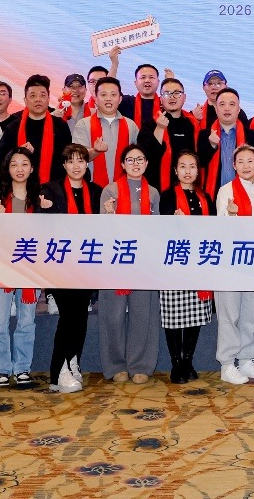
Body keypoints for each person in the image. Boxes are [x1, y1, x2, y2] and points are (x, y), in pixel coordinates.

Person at [41, 143, 103, 393]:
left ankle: (73, 361)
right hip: (60, 264)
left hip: (86, 264)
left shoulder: (96, 191)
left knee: (80, 317)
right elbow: (42, 227)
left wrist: (108, 213)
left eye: (81, 160)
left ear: (87, 164)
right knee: (68, 317)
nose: (76, 165)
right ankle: (58, 372)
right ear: (64, 165)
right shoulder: (50, 190)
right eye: (71, 161)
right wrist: (45, 210)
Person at [99, 144, 161, 384]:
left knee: (142, 314)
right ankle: (116, 365)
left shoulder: (153, 193)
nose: (135, 163)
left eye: (140, 159)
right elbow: (102, 230)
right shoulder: (110, 190)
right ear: (123, 164)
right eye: (130, 160)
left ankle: (141, 365)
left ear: (146, 163)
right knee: (113, 316)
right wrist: (109, 214)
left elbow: (157, 229)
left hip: (144, 262)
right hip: (115, 261)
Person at [0, 146, 45, 387]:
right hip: (0, 268)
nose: (19, 169)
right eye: (14, 165)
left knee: (26, 321)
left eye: (24, 164)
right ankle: (1, 369)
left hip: (30, 268)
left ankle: (22, 368)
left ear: (32, 168)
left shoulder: (41, 199)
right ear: (7, 169)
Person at [213, 144, 254, 385]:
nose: (246, 166)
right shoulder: (226, 190)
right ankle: (227, 364)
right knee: (229, 314)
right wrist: (232, 215)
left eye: (250, 161)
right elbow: (220, 228)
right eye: (241, 162)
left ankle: (246, 359)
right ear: (233, 166)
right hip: (231, 261)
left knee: (251, 313)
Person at [157, 150, 214, 384]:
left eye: (192, 166)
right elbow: (161, 230)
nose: (187, 171)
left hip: (199, 262)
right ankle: (176, 363)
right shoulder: (167, 196)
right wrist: (175, 222)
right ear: (175, 170)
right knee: (173, 316)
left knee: (195, 315)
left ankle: (187, 360)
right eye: (182, 166)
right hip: (175, 262)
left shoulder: (205, 197)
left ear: (198, 171)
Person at [0, 74, 72, 187]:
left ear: (48, 99)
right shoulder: (13, 126)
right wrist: (18, 152)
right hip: (20, 188)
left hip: (53, 188)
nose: (38, 99)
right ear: (25, 100)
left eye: (42, 95)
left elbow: (67, 159)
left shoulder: (60, 126)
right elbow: (1, 158)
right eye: (33, 96)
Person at [71, 77, 140, 191]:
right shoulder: (83, 124)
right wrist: (95, 151)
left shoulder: (131, 125)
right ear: (96, 99)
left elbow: (138, 158)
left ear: (120, 99)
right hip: (91, 190)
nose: (108, 99)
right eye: (103, 95)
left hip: (125, 189)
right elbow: (77, 159)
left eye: (113, 95)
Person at [141, 76, 200, 193]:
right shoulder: (150, 124)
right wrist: (159, 128)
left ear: (184, 98)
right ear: (161, 99)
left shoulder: (193, 124)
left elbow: (200, 158)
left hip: (188, 188)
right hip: (158, 191)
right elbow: (146, 157)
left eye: (177, 93)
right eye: (167, 93)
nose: (172, 97)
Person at [199, 87, 253, 198]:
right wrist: (211, 146)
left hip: (244, 194)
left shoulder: (252, 136)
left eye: (232, 104)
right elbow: (200, 164)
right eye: (222, 104)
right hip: (213, 196)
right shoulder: (204, 134)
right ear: (216, 109)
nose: (227, 108)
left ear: (238, 109)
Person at [120, 63, 163, 131]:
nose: (147, 80)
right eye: (143, 77)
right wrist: (115, 64)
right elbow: (109, 89)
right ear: (136, 83)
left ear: (158, 82)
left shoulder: (165, 103)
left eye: (151, 77)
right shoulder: (126, 102)